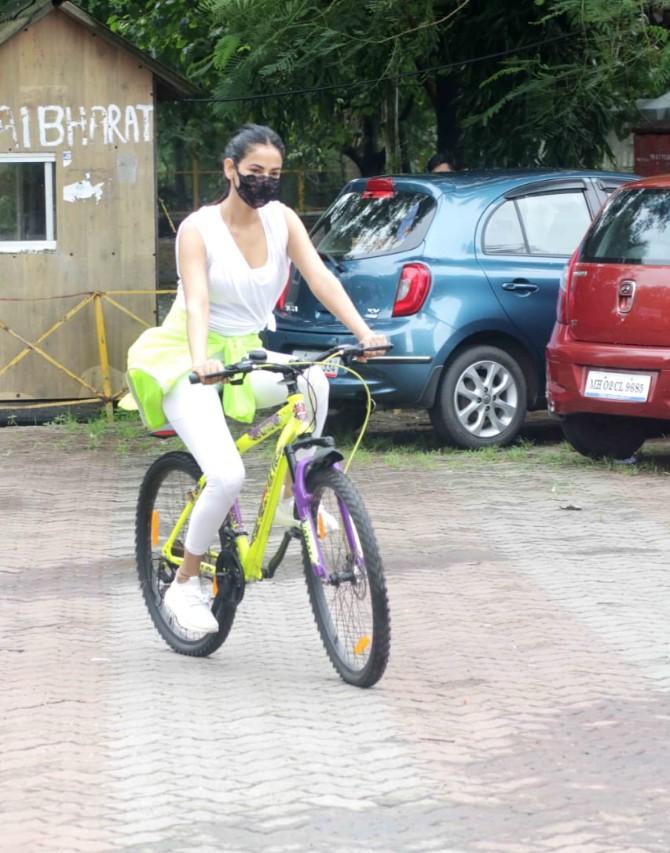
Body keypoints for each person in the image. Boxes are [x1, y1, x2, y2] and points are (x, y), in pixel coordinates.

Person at [127, 124, 388, 635]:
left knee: (314, 381)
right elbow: (197, 299)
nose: (265, 183)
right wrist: (202, 360)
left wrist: (364, 331)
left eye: (274, 175)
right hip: (189, 356)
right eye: (254, 173)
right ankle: (184, 584)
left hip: (245, 351)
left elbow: (319, 276)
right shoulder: (197, 230)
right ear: (230, 170)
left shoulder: (282, 221)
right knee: (228, 477)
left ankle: (299, 497)